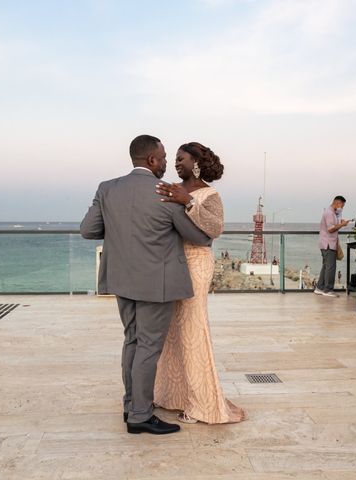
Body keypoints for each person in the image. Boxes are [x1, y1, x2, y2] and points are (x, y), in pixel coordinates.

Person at [80, 134, 212, 435]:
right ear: (152, 160)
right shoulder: (166, 192)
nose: (167, 162)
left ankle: (130, 405)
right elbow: (200, 238)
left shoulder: (107, 188)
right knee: (149, 347)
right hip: (157, 284)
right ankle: (140, 415)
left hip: (121, 280)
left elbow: (88, 230)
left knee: (132, 341)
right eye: (164, 157)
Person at [153, 142, 246, 424]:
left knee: (193, 331)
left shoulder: (209, 194)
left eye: (181, 159)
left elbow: (215, 228)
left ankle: (202, 404)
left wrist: (188, 202)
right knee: (171, 331)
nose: (175, 163)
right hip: (169, 263)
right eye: (175, 159)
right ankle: (174, 395)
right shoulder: (171, 188)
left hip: (195, 263)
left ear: (195, 162)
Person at [315, 195, 350, 298]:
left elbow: (334, 225)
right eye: (342, 206)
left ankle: (319, 288)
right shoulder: (329, 213)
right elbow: (331, 229)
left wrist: (340, 221)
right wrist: (342, 225)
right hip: (328, 244)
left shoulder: (332, 213)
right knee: (330, 267)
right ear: (337, 203)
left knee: (326, 266)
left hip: (326, 243)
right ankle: (328, 289)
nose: (342, 208)